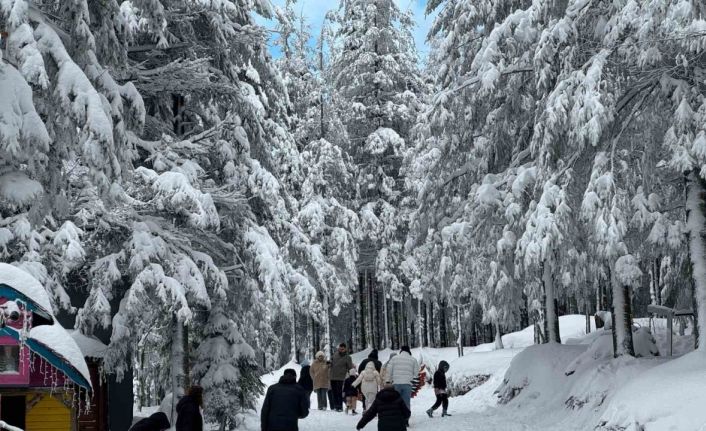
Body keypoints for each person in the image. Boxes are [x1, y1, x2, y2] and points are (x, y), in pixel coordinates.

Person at [385, 346, 419, 411]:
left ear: (401, 350)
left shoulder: (394, 358)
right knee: (406, 403)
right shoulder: (413, 359)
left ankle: (396, 418)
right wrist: (412, 380)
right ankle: (406, 419)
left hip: (396, 384)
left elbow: (389, 371)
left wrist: (388, 381)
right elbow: (416, 374)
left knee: (395, 402)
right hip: (407, 384)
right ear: (409, 351)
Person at [329, 343, 354, 412]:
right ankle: (336, 406)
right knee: (334, 392)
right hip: (332, 376)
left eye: (342, 349)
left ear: (345, 349)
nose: (341, 350)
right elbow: (331, 362)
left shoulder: (348, 357)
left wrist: (352, 375)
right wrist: (329, 363)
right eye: (340, 348)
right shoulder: (335, 354)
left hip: (341, 377)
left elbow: (350, 367)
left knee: (339, 392)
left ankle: (340, 406)